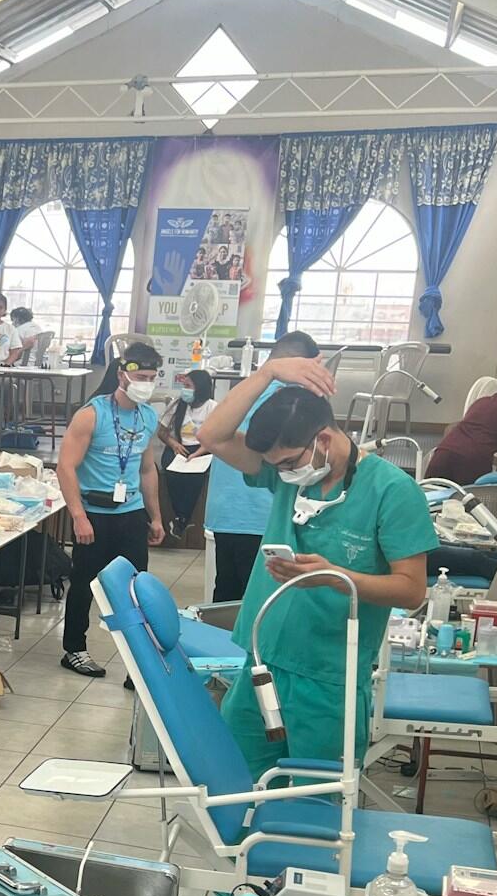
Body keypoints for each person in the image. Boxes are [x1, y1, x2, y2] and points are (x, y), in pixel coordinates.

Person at [196, 357, 435, 778]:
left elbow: (412, 590)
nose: (283, 474)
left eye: (288, 463)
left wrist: (337, 579)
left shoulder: (392, 492)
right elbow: (212, 435)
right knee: (237, 785)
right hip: (263, 662)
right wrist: (267, 373)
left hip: (329, 679)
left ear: (323, 439)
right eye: (276, 467)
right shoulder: (287, 477)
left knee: (315, 802)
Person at [55, 340, 166, 678]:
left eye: (152, 377)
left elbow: (147, 469)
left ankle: (138, 663)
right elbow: (65, 467)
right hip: (93, 512)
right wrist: (78, 516)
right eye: (140, 376)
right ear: (122, 375)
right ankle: (74, 649)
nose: (146, 383)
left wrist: (156, 516)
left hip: (130, 513)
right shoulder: (92, 414)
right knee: (85, 582)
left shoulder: (148, 417)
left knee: (136, 589)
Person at [205, 331, 321, 602]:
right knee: (260, 601)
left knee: (226, 598)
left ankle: (219, 644)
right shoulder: (290, 401)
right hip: (259, 516)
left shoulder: (243, 393)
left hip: (225, 515)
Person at [425, 375, 497, 486]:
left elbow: (452, 430)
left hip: (443, 454)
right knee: (466, 505)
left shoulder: (482, 402)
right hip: (471, 463)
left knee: (429, 501)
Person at [160, 369, 218, 542]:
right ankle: (180, 516)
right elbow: (162, 432)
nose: (184, 390)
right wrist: (174, 444)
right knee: (171, 473)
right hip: (178, 447)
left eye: (188, 386)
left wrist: (198, 453)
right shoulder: (178, 404)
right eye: (183, 385)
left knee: (194, 478)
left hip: (202, 449)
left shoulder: (212, 407)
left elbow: (216, 438)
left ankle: (183, 517)